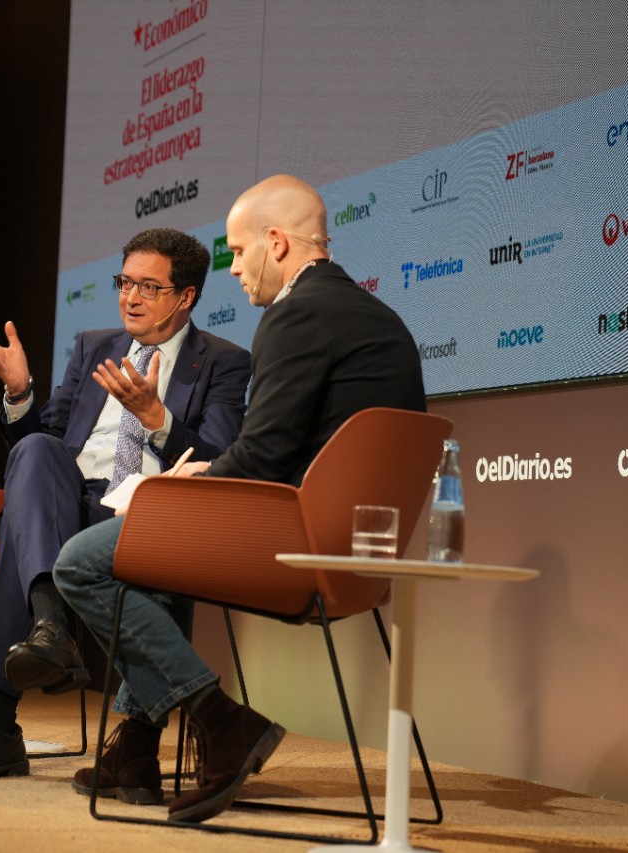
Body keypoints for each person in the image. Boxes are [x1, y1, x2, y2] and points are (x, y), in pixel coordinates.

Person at [51, 175, 427, 822]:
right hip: (358, 551)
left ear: (275, 243)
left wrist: (179, 484)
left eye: (237, 253)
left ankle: (219, 719)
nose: (235, 271)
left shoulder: (295, 315)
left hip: (298, 540)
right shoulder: (378, 316)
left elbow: (260, 459)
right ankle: (136, 746)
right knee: (157, 549)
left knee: (82, 562)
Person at [0, 227, 251, 780]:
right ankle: (51, 626)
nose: (130, 298)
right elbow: (35, 453)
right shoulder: (95, 345)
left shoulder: (223, 361)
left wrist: (156, 418)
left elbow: (220, 457)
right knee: (40, 452)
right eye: (124, 282)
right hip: (72, 500)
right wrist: (20, 394)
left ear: (185, 296)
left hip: (146, 510)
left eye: (148, 287)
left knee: (24, 536)